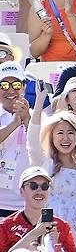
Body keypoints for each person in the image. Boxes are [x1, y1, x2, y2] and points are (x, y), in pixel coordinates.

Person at [28, 85, 76, 240]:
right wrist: (40, 101)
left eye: (71, 133)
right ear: (52, 137)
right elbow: (32, 140)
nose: (66, 138)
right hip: (50, 235)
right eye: (60, 133)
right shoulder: (46, 163)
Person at [0, 61, 33, 216]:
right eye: (4, 85)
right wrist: (14, 124)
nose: (11, 90)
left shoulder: (39, 116)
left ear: (24, 87)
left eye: (16, 85)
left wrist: (27, 120)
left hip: (29, 202)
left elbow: (42, 147)